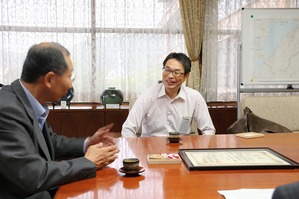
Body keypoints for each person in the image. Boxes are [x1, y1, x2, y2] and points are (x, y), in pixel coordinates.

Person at [0, 42, 120, 199]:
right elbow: (32, 175)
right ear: (49, 79)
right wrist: (88, 162)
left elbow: (49, 141)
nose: (70, 85)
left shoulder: (26, 101)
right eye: (69, 76)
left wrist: (88, 142)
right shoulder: (7, 109)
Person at [121, 52, 215, 137]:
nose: (170, 76)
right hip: (151, 150)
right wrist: (137, 150)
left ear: (186, 76)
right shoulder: (148, 95)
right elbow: (128, 129)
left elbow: (208, 129)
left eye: (176, 72)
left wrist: (198, 150)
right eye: (167, 70)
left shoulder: (194, 97)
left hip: (181, 148)